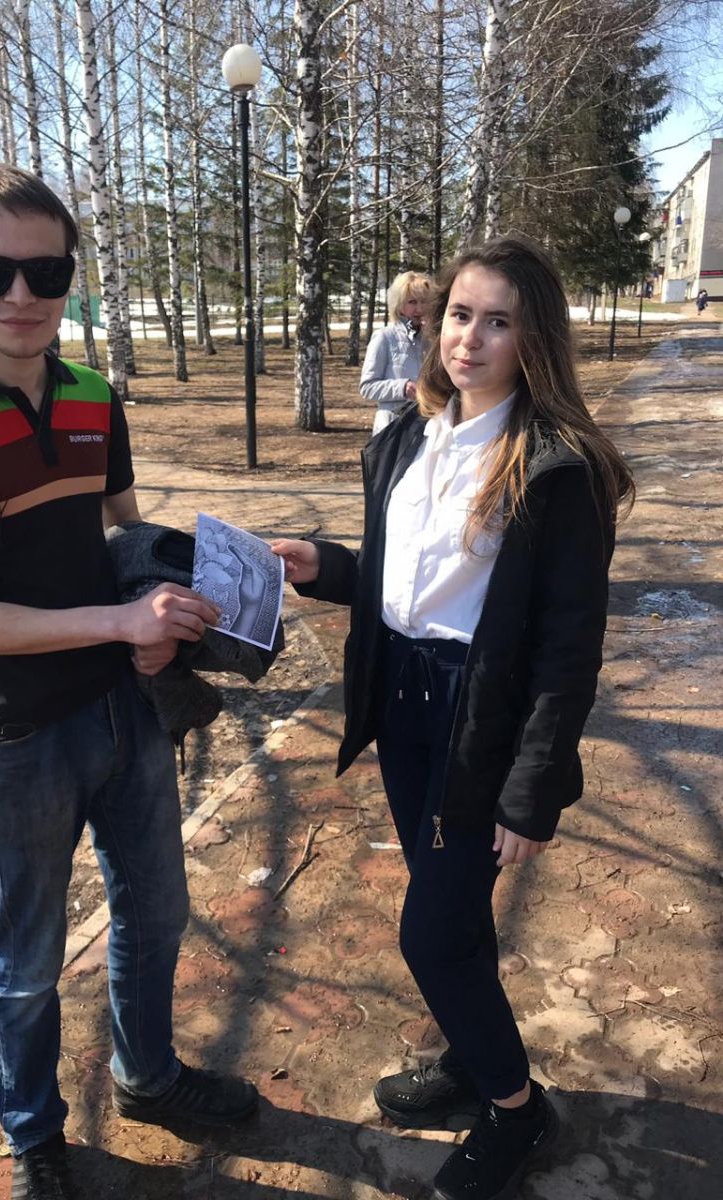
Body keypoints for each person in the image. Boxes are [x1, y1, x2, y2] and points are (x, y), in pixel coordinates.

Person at [0, 165, 258, 1200]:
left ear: (69, 278)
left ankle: (148, 1076)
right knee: (28, 960)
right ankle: (34, 1134)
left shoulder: (94, 397)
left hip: (128, 709)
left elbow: (122, 532)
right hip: (15, 737)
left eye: (45, 272)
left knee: (158, 913)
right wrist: (118, 623)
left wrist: (187, 600)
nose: (20, 295)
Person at [273, 235, 633, 1200]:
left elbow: (567, 651)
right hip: (404, 704)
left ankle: (517, 1111)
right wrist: (324, 566)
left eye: (498, 321)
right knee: (458, 914)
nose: (469, 337)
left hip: (481, 725)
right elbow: (404, 582)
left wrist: (531, 790)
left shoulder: (556, 470)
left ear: (534, 339)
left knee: (430, 935)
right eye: (459, 315)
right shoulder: (409, 437)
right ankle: (475, 1064)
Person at [360, 270, 431, 434]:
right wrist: (402, 387)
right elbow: (367, 387)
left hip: (428, 425)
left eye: (424, 301)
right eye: (412, 302)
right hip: (394, 429)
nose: (419, 308)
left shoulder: (432, 339)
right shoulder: (385, 337)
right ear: (399, 304)